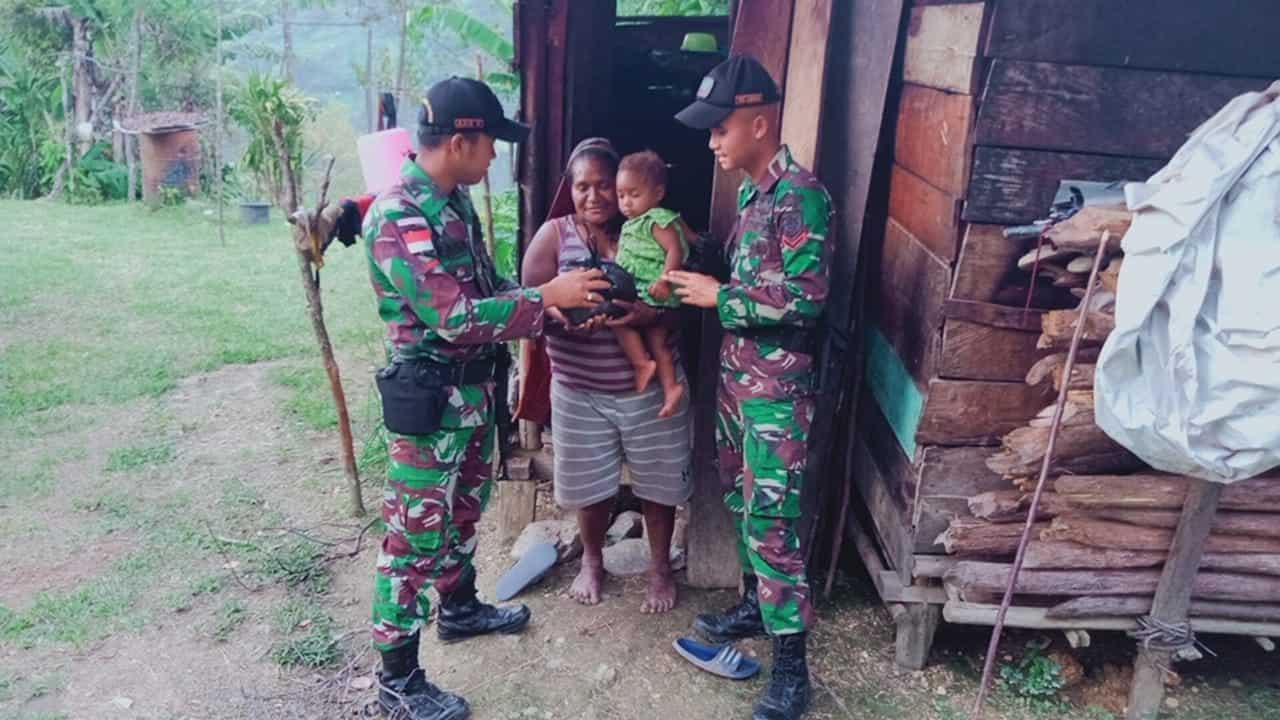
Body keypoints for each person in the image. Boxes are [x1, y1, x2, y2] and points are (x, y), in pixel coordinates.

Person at [362, 77, 609, 720]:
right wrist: (547, 298)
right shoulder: (397, 215)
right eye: (491, 143)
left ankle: (460, 608)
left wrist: (550, 308)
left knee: (464, 510)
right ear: (462, 139)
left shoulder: (453, 203)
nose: (495, 157)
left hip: (473, 393)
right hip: (430, 400)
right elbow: (455, 317)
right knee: (414, 536)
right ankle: (397, 679)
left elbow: (488, 282)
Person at [667, 55, 833, 720]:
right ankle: (754, 603)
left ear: (759, 123)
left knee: (772, 522)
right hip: (740, 384)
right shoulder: (752, 193)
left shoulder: (803, 198)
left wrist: (720, 295)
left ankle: (792, 671)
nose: (711, 141)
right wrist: (697, 258)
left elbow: (806, 302)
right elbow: (750, 268)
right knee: (740, 498)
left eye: (719, 128)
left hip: (776, 394)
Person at [522, 137, 693, 615]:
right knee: (588, 486)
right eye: (582, 186)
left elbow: (686, 305)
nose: (594, 196)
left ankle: (659, 566)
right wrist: (559, 315)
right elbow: (527, 302)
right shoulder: (554, 235)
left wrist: (647, 314)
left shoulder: (649, 231)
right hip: (581, 391)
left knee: (659, 486)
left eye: (604, 185)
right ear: (570, 189)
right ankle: (593, 561)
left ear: (624, 188)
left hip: (651, 390)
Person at [613, 150, 688, 418]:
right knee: (658, 343)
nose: (626, 203)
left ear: (657, 193)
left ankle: (642, 363)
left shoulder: (656, 219)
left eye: (634, 195)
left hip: (655, 290)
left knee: (620, 321)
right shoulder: (633, 223)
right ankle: (670, 388)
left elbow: (675, 250)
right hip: (643, 289)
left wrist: (665, 279)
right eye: (621, 195)